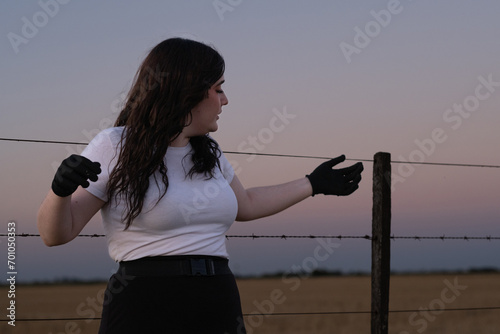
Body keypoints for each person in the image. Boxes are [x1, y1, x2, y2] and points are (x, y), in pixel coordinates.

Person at [37, 37, 363, 334]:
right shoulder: (115, 144)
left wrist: (312, 183)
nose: (225, 100)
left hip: (217, 299)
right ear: (188, 90)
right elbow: (57, 234)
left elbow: (246, 203)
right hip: (145, 305)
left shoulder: (208, 152)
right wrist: (60, 191)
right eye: (218, 88)